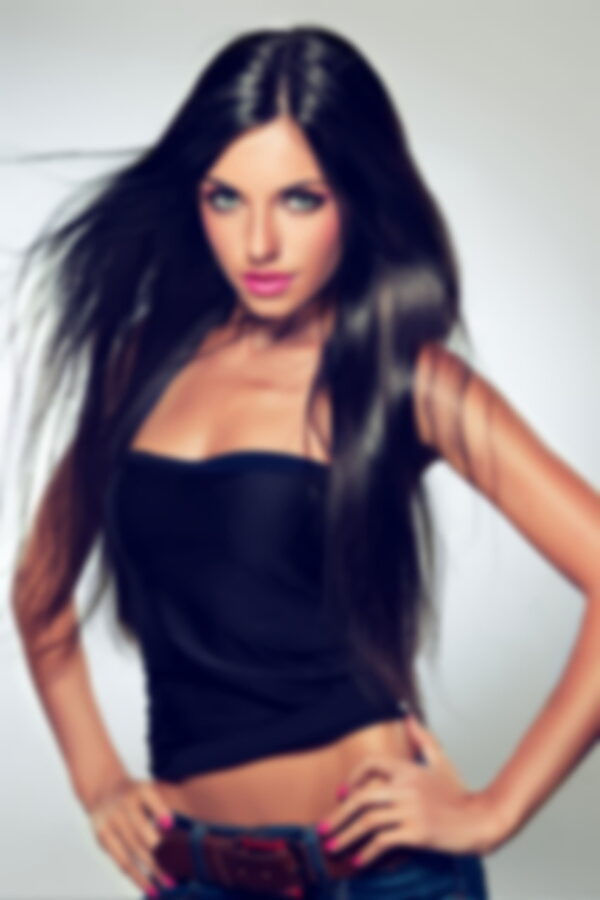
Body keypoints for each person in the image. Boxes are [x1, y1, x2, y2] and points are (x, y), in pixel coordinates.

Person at [8, 24, 599, 900]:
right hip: (195, 874)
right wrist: (98, 780)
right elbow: (40, 590)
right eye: (225, 199)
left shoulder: (407, 380)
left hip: (381, 877)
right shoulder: (141, 364)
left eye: (299, 200)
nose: (258, 245)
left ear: (355, 199)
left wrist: (496, 810)